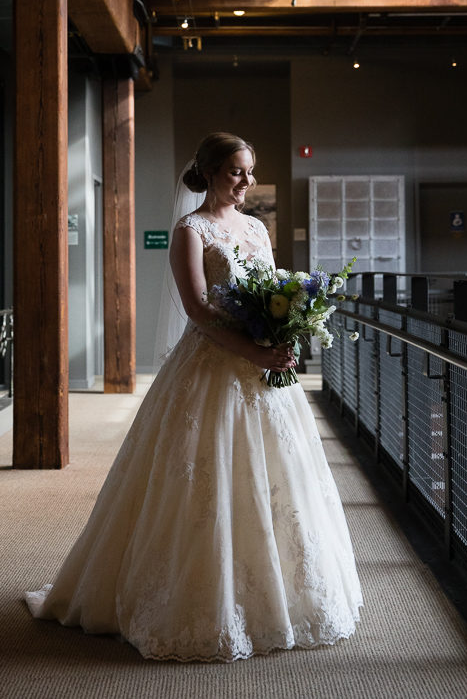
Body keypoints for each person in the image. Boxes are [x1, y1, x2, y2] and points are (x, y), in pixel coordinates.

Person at [25, 131, 363, 662]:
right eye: (236, 172)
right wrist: (252, 352)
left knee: (277, 479)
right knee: (204, 479)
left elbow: (272, 292)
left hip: (262, 367)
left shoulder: (255, 226)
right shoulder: (190, 229)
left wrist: (282, 336)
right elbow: (200, 311)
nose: (246, 182)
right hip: (211, 367)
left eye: (250, 171)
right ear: (207, 173)